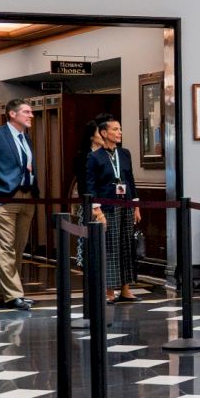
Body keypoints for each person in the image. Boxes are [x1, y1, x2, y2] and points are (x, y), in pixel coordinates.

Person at [0, 98, 39, 310]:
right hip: (3, 198)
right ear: (12, 114)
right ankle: (14, 295)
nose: (31, 115)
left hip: (26, 197)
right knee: (5, 248)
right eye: (27, 112)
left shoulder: (26, 138)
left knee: (18, 247)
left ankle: (9, 294)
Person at [77, 113, 141, 302]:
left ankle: (126, 289)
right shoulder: (94, 157)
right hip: (107, 207)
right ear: (103, 133)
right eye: (115, 129)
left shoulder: (124, 153)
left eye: (119, 129)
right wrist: (97, 211)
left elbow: (130, 179)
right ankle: (109, 291)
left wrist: (136, 206)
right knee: (111, 248)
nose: (119, 132)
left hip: (126, 204)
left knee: (127, 246)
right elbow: (91, 185)